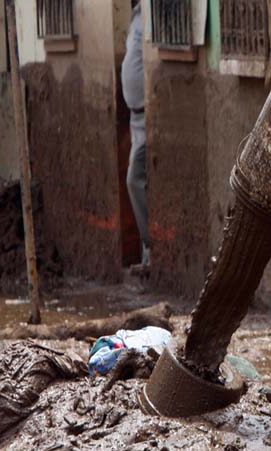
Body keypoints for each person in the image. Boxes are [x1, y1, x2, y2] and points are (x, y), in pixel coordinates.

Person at [121, 1, 149, 273]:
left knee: (134, 179)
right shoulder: (137, 15)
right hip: (135, 116)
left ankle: (150, 246)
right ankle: (147, 251)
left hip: (148, 114)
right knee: (136, 180)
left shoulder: (150, 14)